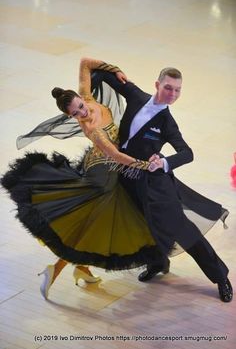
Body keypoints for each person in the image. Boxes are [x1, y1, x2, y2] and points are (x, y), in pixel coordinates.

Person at [1, 58, 162, 300]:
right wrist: (145, 166)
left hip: (100, 164)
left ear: (81, 96)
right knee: (98, 223)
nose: (82, 113)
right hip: (104, 175)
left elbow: (85, 62)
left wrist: (114, 69)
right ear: (70, 116)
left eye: (80, 106)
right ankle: (59, 269)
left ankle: (80, 268)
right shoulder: (92, 130)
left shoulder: (87, 97)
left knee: (91, 224)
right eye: (75, 114)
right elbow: (117, 155)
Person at [89, 58, 233, 303]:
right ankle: (157, 263)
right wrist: (103, 79)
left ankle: (220, 276)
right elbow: (103, 75)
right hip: (125, 177)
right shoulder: (136, 96)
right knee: (140, 225)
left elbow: (187, 153)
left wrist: (164, 163)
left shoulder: (167, 122)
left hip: (155, 183)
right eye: (168, 88)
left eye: (177, 90)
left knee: (181, 228)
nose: (173, 94)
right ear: (157, 84)